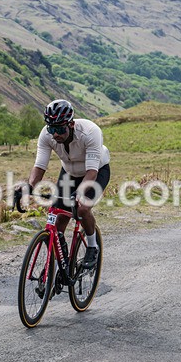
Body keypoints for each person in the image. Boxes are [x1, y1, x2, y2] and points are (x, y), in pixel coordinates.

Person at [16, 99, 110, 270]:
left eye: (60, 129)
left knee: (82, 207)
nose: (55, 134)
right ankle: (61, 264)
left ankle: (91, 246)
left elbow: (92, 172)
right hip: (69, 173)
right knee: (59, 218)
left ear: (71, 124)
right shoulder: (47, 135)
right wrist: (29, 187)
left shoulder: (90, 132)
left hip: (95, 171)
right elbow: (39, 166)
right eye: (52, 129)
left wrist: (80, 192)